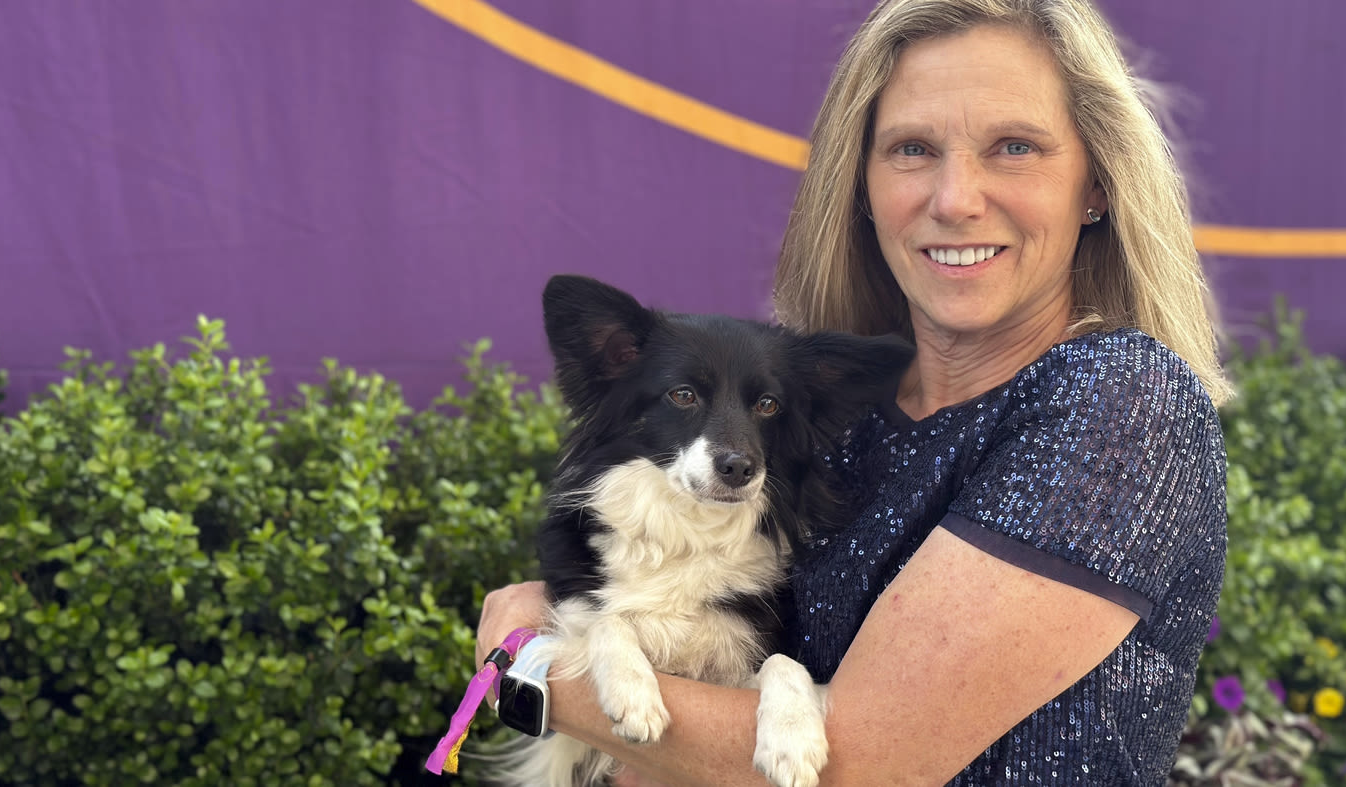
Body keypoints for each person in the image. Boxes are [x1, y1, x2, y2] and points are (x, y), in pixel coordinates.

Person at [475, 0, 1232, 783]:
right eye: (912, 148)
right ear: (862, 186)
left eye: (1015, 146)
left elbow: (867, 762)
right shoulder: (831, 415)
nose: (956, 198)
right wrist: (591, 615)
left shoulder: (1122, 402)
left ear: (1096, 185)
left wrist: (534, 666)